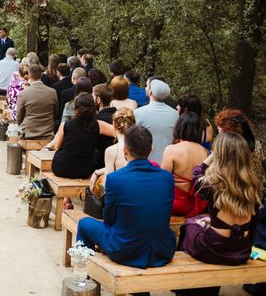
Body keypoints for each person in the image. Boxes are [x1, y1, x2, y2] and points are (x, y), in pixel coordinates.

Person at [77, 125, 176, 269]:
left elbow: (109, 218)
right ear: (151, 149)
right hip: (162, 250)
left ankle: (83, 273)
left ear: (125, 150)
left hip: (125, 249)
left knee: (84, 223)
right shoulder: (166, 177)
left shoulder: (115, 179)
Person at [177, 131, 261, 296]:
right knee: (202, 220)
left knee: (189, 227)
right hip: (242, 250)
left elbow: (196, 174)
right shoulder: (253, 185)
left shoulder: (213, 183)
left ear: (220, 156)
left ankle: (185, 288)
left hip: (214, 249)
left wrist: (211, 157)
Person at [45, 93, 114, 181]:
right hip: (84, 170)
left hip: (61, 168)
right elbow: (116, 132)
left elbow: (57, 146)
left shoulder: (65, 125)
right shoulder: (98, 125)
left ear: (75, 108)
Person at [161, 112, 209, 217]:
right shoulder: (206, 152)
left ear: (179, 127)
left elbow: (163, 182)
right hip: (198, 205)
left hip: (176, 204)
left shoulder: (171, 150)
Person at [89, 107, 135, 194]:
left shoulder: (112, 150)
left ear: (113, 124)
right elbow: (124, 167)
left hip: (121, 194)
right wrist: (97, 172)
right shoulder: (138, 146)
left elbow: (108, 184)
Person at [134, 78, 179, 163]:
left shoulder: (138, 113)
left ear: (150, 92)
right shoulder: (175, 114)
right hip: (169, 162)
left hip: (146, 162)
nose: (145, 88)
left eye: (147, 86)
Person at [16, 64, 58, 139]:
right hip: (47, 132)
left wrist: (19, 126)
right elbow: (55, 113)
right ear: (41, 75)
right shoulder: (52, 92)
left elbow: (19, 116)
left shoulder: (23, 93)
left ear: (29, 75)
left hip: (28, 132)